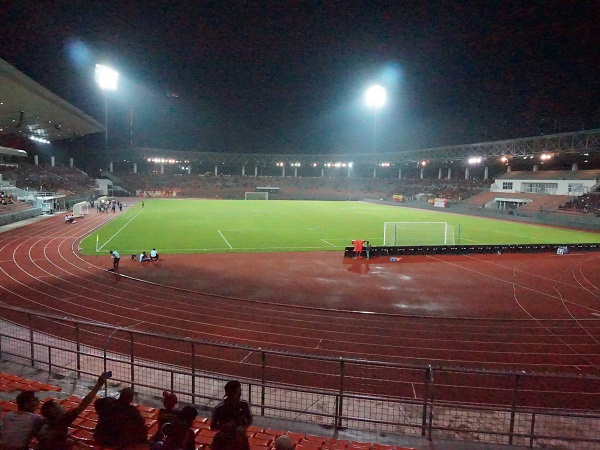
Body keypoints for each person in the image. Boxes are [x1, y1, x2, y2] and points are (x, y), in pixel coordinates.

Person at [37, 374, 107, 450]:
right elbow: (83, 404)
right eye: (59, 406)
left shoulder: (44, 423)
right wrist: (98, 385)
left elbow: (60, 438)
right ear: (56, 413)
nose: (63, 406)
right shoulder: (62, 420)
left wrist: (76, 442)